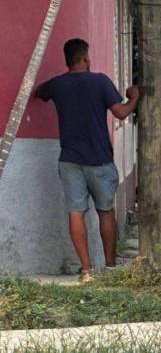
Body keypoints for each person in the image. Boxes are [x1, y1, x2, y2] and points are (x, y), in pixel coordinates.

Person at [36, 38, 139, 283]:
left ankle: (86, 271)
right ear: (85, 58)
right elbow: (121, 112)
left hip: (70, 160)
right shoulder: (100, 82)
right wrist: (134, 97)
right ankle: (111, 266)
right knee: (105, 212)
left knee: (76, 213)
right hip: (100, 160)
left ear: (67, 60)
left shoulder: (58, 85)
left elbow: (40, 92)